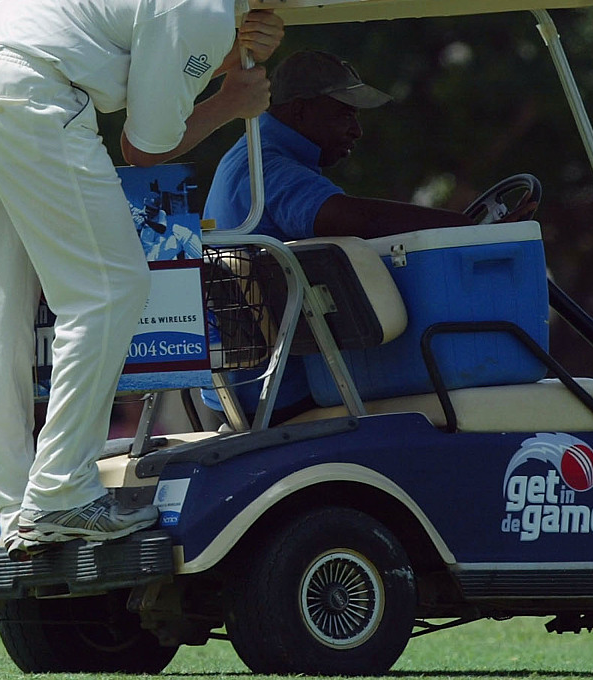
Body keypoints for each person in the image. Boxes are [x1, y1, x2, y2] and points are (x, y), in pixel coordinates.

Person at [0, 0, 338, 559]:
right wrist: (230, 98)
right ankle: (60, 497)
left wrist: (226, 46)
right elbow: (146, 149)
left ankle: (11, 500)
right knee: (112, 287)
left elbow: (148, 51)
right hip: (29, 93)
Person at [202, 50, 534, 422]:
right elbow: (346, 216)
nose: (356, 130)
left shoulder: (255, 154)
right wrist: (465, 228)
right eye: (345, 112)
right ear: (299, 111)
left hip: (257, 386)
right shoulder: (270, 166)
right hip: (278, 391)